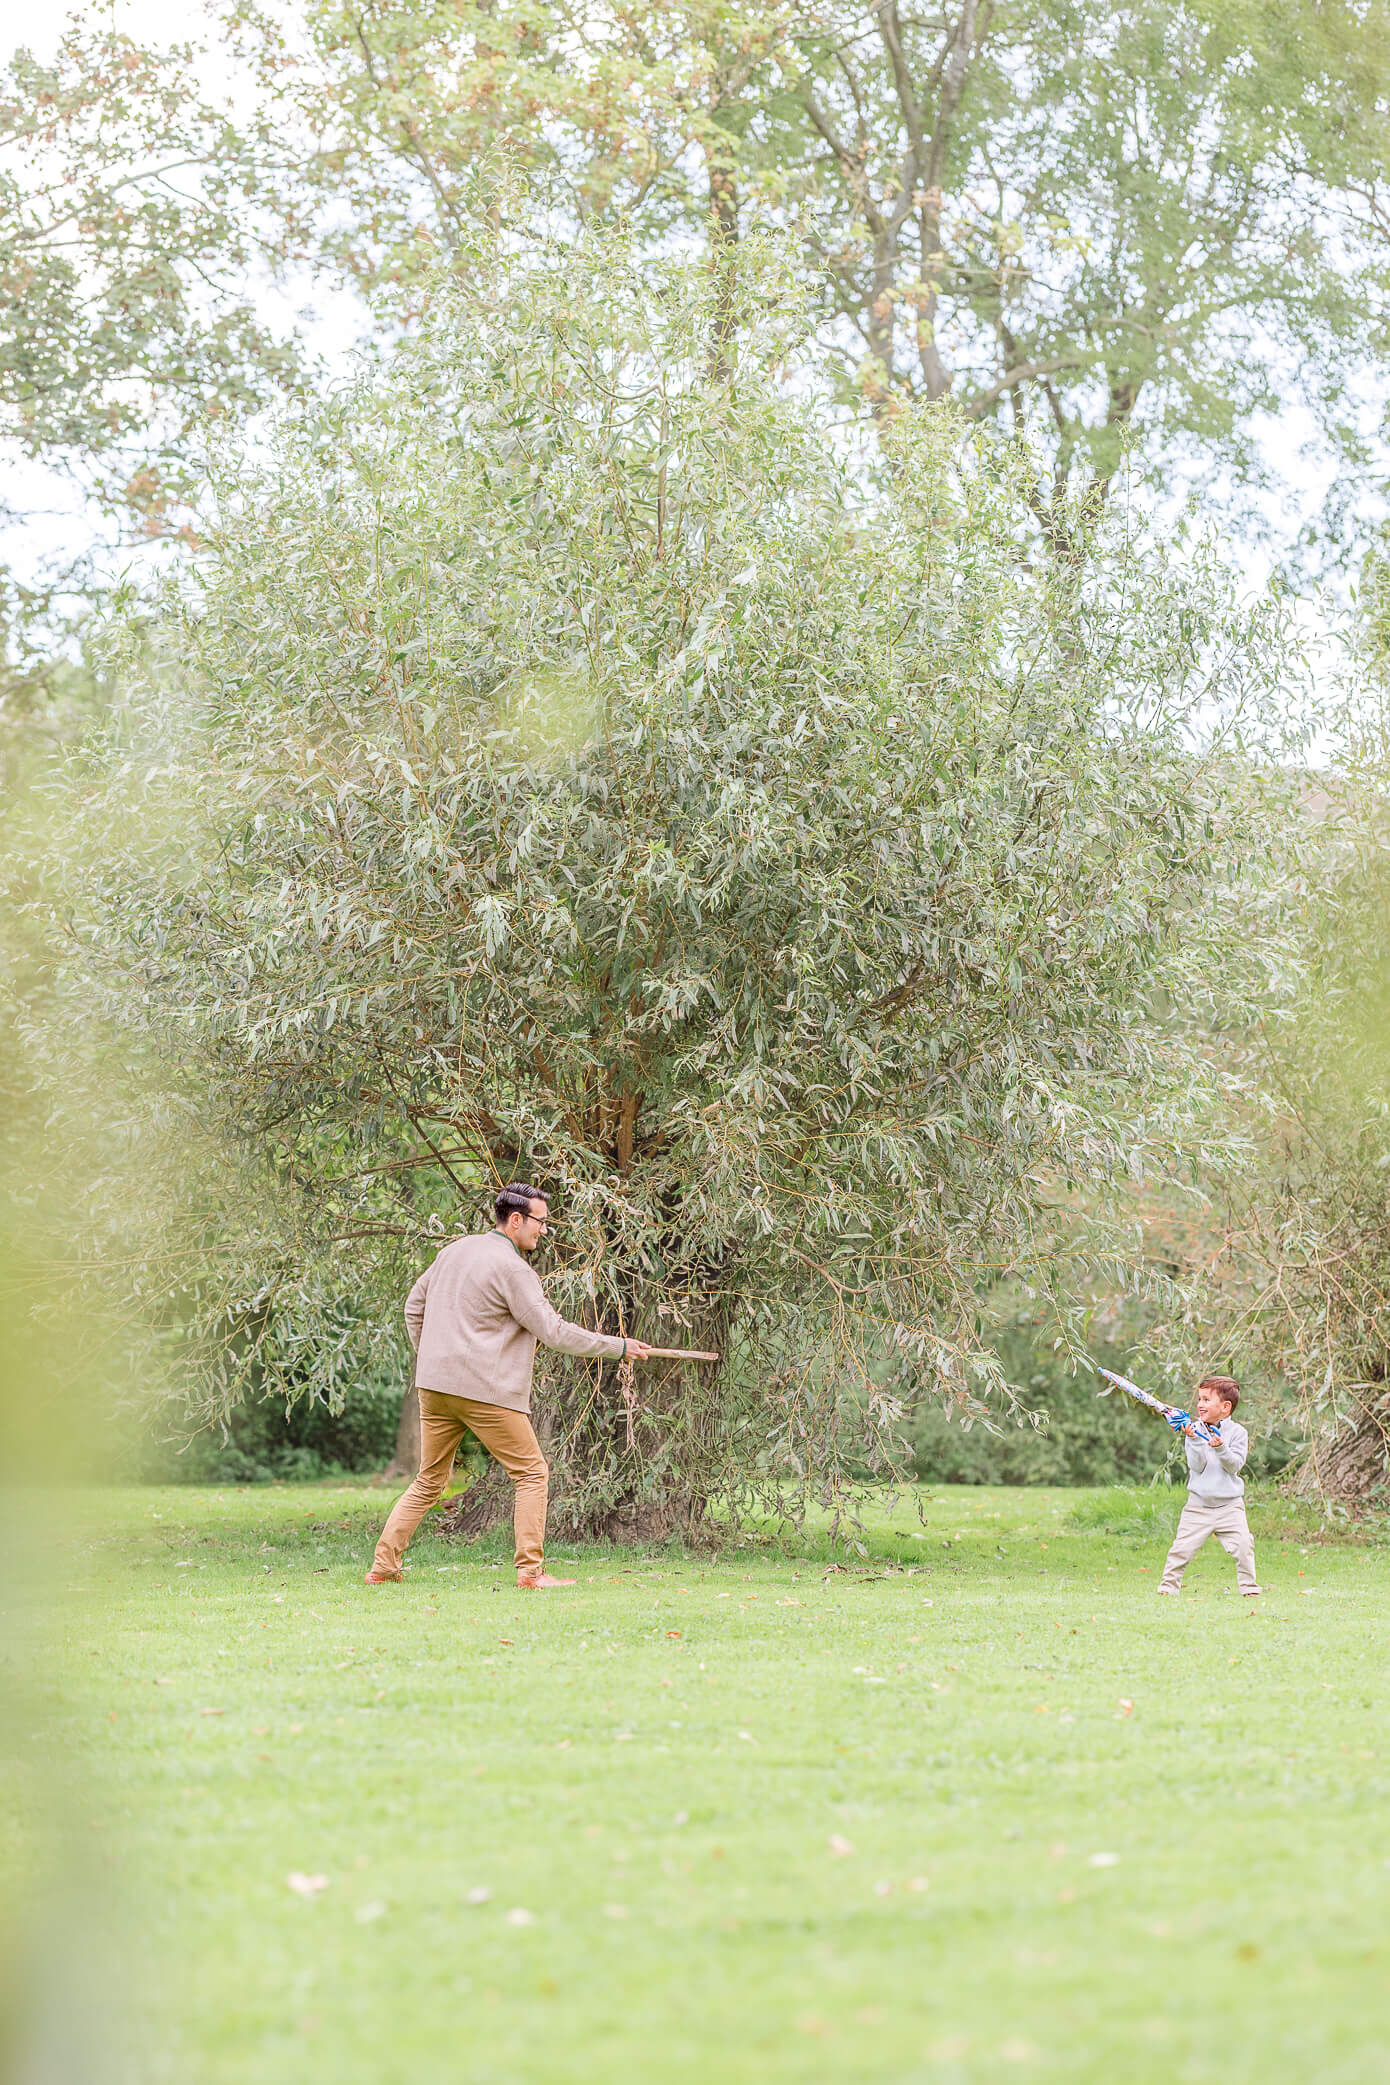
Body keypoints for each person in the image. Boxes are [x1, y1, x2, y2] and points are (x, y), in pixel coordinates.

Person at [366, 1183, 652, 1591]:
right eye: (540, 1222)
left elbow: (414, 1306)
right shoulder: (514, 1269)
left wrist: (430, 1357)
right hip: (484, 1390)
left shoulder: (454, 1251)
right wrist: (618, 1346)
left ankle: (383, 1567)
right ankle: (531, 1573)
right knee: (532, 1472)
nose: (543, 1231)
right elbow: (553, 1332)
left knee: (429, 1479)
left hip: (433, 1386)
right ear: (515, 1219)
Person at [1156, 1375, 1261, 1597]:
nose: (1200, 1404)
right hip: (1198, 1506)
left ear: (1225, 1407)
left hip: (1230, 1507)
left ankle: (1249, 1588)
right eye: (1200, 1399)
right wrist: (1194, 1440)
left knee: (1243, 1546)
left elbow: (1234, 1466)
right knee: (1181, 1549)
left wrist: (1221, 1448)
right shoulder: (1194, 1429)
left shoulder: (1238, 1433)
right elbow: (1197, 1466)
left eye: (1206, 1399)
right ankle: (1168, 1587)